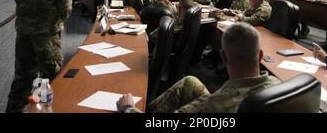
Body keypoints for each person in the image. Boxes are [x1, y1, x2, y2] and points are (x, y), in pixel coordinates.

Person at [118, 22, 280, 113]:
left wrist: (128, 108)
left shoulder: (209, 108)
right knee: (190, 82)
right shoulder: (280, 85)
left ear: (223, 57)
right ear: (259, 55)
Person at [5, 0, 72, 113]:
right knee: (53, 79)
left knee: (23, 78)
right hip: (47, 35)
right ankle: (47, 109)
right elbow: (66, 7)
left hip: (24, 32)